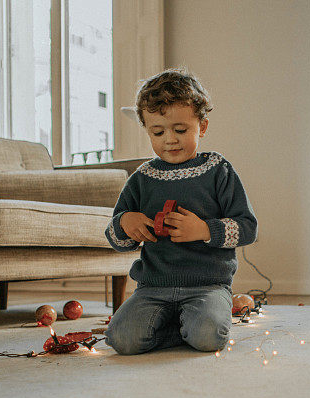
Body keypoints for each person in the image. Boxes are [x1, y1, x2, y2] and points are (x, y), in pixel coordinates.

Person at [104, 68, 258, 354]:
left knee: (209, 337)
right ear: (147, 130)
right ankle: (179, 329)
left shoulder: (218, 171)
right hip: (152, 288)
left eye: (180, 130)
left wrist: (204, 230)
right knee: (120, 339)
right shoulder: (141, 178)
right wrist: (126, 222)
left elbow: (248, 227)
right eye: (158, 132)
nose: (170, 140)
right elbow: (115, 238)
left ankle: (195, 324)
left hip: (208, 286)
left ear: (202, 126)